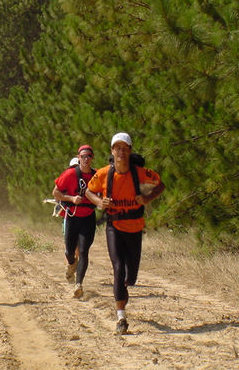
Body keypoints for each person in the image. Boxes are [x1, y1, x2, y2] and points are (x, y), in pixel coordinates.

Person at [86, 132, 165, 334]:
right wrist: (98, 202)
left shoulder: (140, 173)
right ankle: (121, 317)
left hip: (135, 228)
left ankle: (124, 288)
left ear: (129, 151)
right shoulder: (104, 174)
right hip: (114, 227)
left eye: (124, 148)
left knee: (131, 278)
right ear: (112, 151)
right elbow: (88, 191)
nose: (120, 151)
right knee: (118, 268)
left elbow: (160, 185)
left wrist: (147, 198)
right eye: (117, 147)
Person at [52, 145, 97, 299]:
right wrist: (71, 198)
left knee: (84, 250)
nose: (86, 159)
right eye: (83, 156)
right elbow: (55, 192)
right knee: (69, 251)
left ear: (92, 158)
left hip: (89, 217)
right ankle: (72, 263)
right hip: (72, 216)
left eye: (89, 156)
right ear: (78, 157)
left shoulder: (97, 176)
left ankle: (79, 284)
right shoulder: (70, 174)